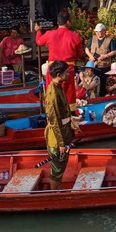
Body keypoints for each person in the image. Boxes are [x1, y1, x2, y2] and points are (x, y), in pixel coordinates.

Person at [35, 12, 84, 111]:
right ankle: (70, 115)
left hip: (53, 69)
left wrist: (38, 31)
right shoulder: (75, 36)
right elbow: (80, 54)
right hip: (67, 68)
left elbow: (39, 41)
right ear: (68, 22)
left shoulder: (50, 34)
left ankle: (52, 112)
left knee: (52, 91)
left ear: (58, 22)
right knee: (68, 94)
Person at [44, 61, 79, 190]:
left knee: (61, 166)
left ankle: (57, 190)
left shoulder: (58, 86)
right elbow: (54, 120)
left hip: (64, 133)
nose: (69, 74)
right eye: (66, 72)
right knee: (57, 169)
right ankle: (54, 194)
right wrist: (61, 143)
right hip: (57, 138)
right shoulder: (53, 92)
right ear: (59, 74)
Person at [85, 22, 116, 95]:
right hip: (93, 66)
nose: (97, 33)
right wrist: (90, 55)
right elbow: (86, 49)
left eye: (99, 31)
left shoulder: (109, 40)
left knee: (103, 83)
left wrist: (105, 56)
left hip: (104, 66)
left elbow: (114, 51)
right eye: (96, 31)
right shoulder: (92, 39)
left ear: (103, 31)